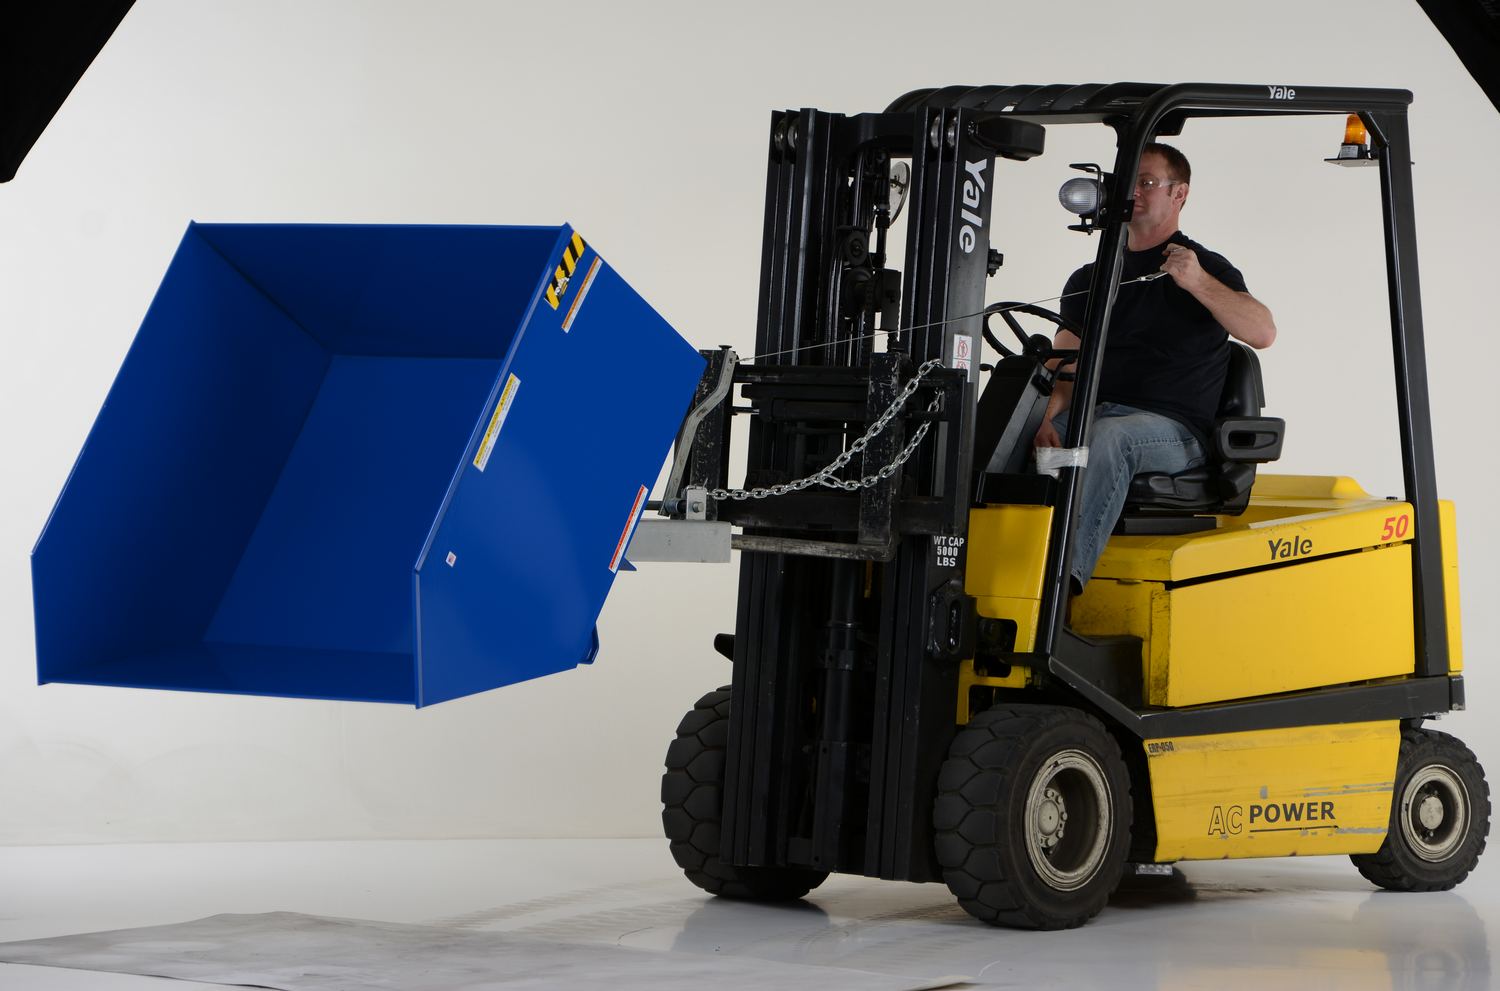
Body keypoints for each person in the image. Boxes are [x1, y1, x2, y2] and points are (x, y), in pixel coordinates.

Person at [1037, 142, 1277, 592]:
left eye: (1146, 182)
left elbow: (1262, 332)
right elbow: (1065, 363)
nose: (1134, 192)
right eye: (1127, 183)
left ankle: (1058, 590)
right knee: (1005, 436)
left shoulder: (1205, 268)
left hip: (1175, 432)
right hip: (1096, 414)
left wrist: (1198, 282)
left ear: (1178, 194)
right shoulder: (1090, 278)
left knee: (1110, 438)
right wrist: (1044, 419)